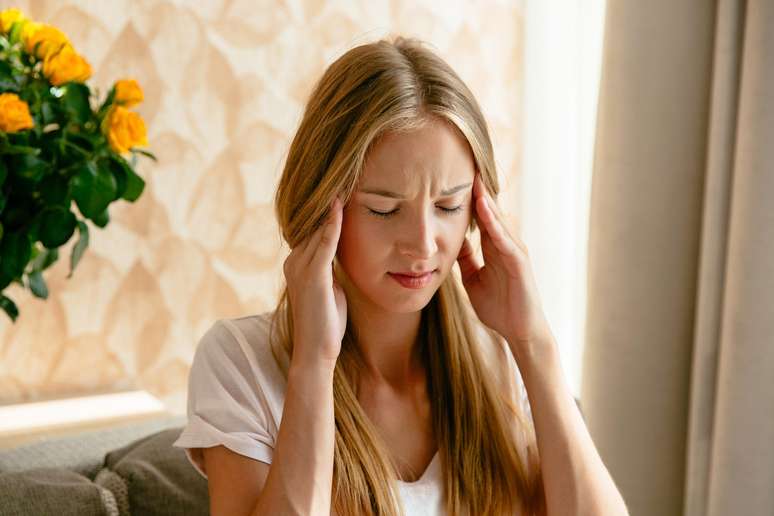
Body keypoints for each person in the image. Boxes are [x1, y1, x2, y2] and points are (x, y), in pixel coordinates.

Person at [173, 36, 628, 516]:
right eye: (385, 210)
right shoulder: (240, 362)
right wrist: (313, 364)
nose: (424, 243)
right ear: (319, 205)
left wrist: (535, 345)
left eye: (448, 205)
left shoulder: (500, 356)